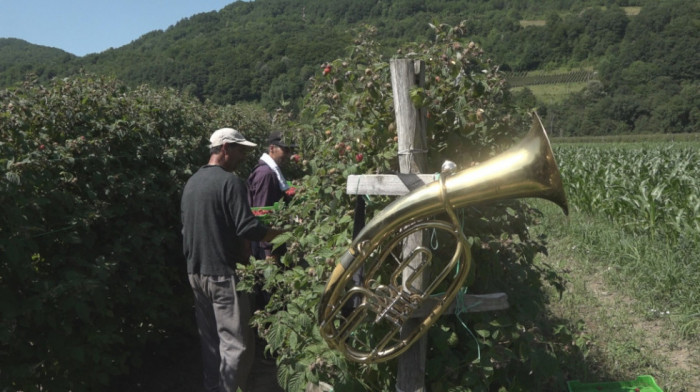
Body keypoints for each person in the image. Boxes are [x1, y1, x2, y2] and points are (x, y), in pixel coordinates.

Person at [180, 127, 285, 392]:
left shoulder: (192, 183)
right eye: (241, 150)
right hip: (223, 274)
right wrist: (283, 234)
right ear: (225, 148)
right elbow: (248, 228)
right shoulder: (231, 183)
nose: (244, 156)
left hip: (196, 273)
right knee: (236, 345)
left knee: (212, 342)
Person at [247, 131, 297, 264]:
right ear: (272, 148)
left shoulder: (269, 172)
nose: (289, 155)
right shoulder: (266, 174)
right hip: (267, 250)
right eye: (285, 150)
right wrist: (269, 251)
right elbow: (263, 214)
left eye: (290, 150)